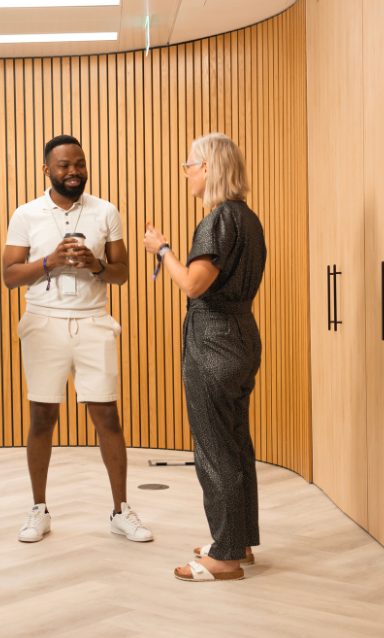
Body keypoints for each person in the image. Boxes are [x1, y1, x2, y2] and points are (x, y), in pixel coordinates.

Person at [2, 134, 153, 544]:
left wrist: (97, 265)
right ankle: (38, 510)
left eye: (79, 164)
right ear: (47, 169)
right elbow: (9, 276)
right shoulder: (27, 214)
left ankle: (121, 511)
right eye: (64, 165)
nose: (73, 172)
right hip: (43, 322)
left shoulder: (106, 211)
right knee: (42, 418)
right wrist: (49, 261)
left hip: (93, 321)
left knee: (107, 417)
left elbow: (122, 273)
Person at [144, 132, 266, 582]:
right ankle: (238, 540)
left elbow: (194, 284)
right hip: (242, 337)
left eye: (190, 164)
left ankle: (225, 558)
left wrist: (162, 249)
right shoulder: (248, 219)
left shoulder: (217, 219)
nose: (187, 172)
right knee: (235, 444)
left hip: (213, 340)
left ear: (209, 168)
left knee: (214, 449)